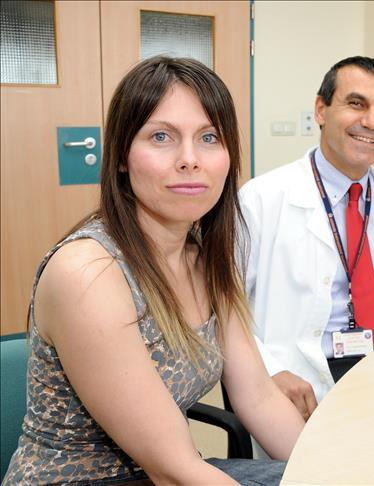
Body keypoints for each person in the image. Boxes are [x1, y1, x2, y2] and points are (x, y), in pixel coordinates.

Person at [4, 57, 304, 485]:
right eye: (161, 136)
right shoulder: (87, 273)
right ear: (122, 157)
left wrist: (332, 471)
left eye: (209, 137)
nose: (189, 159)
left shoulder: (207, 259)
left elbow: (259, 397)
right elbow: (174, 471)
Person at [239, 56, 374, 418]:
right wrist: (269, 370)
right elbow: (225, 307)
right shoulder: (261, 199)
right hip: (311, 376)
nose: (371, 122)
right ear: (321, 110)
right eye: (356, 104)